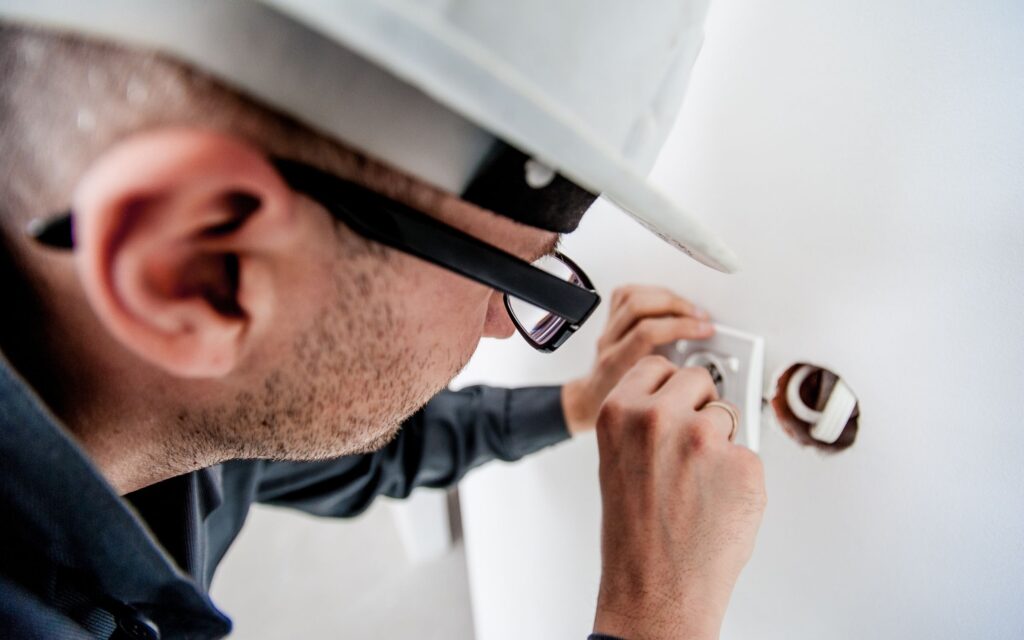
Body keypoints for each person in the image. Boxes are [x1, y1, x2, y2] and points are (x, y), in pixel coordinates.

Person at [0, 5, 765, 640]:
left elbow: (370, 451)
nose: (502, 328)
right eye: (513, 279)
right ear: (198, 270)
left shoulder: (174, 403)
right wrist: (653, 620)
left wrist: (577, 402)